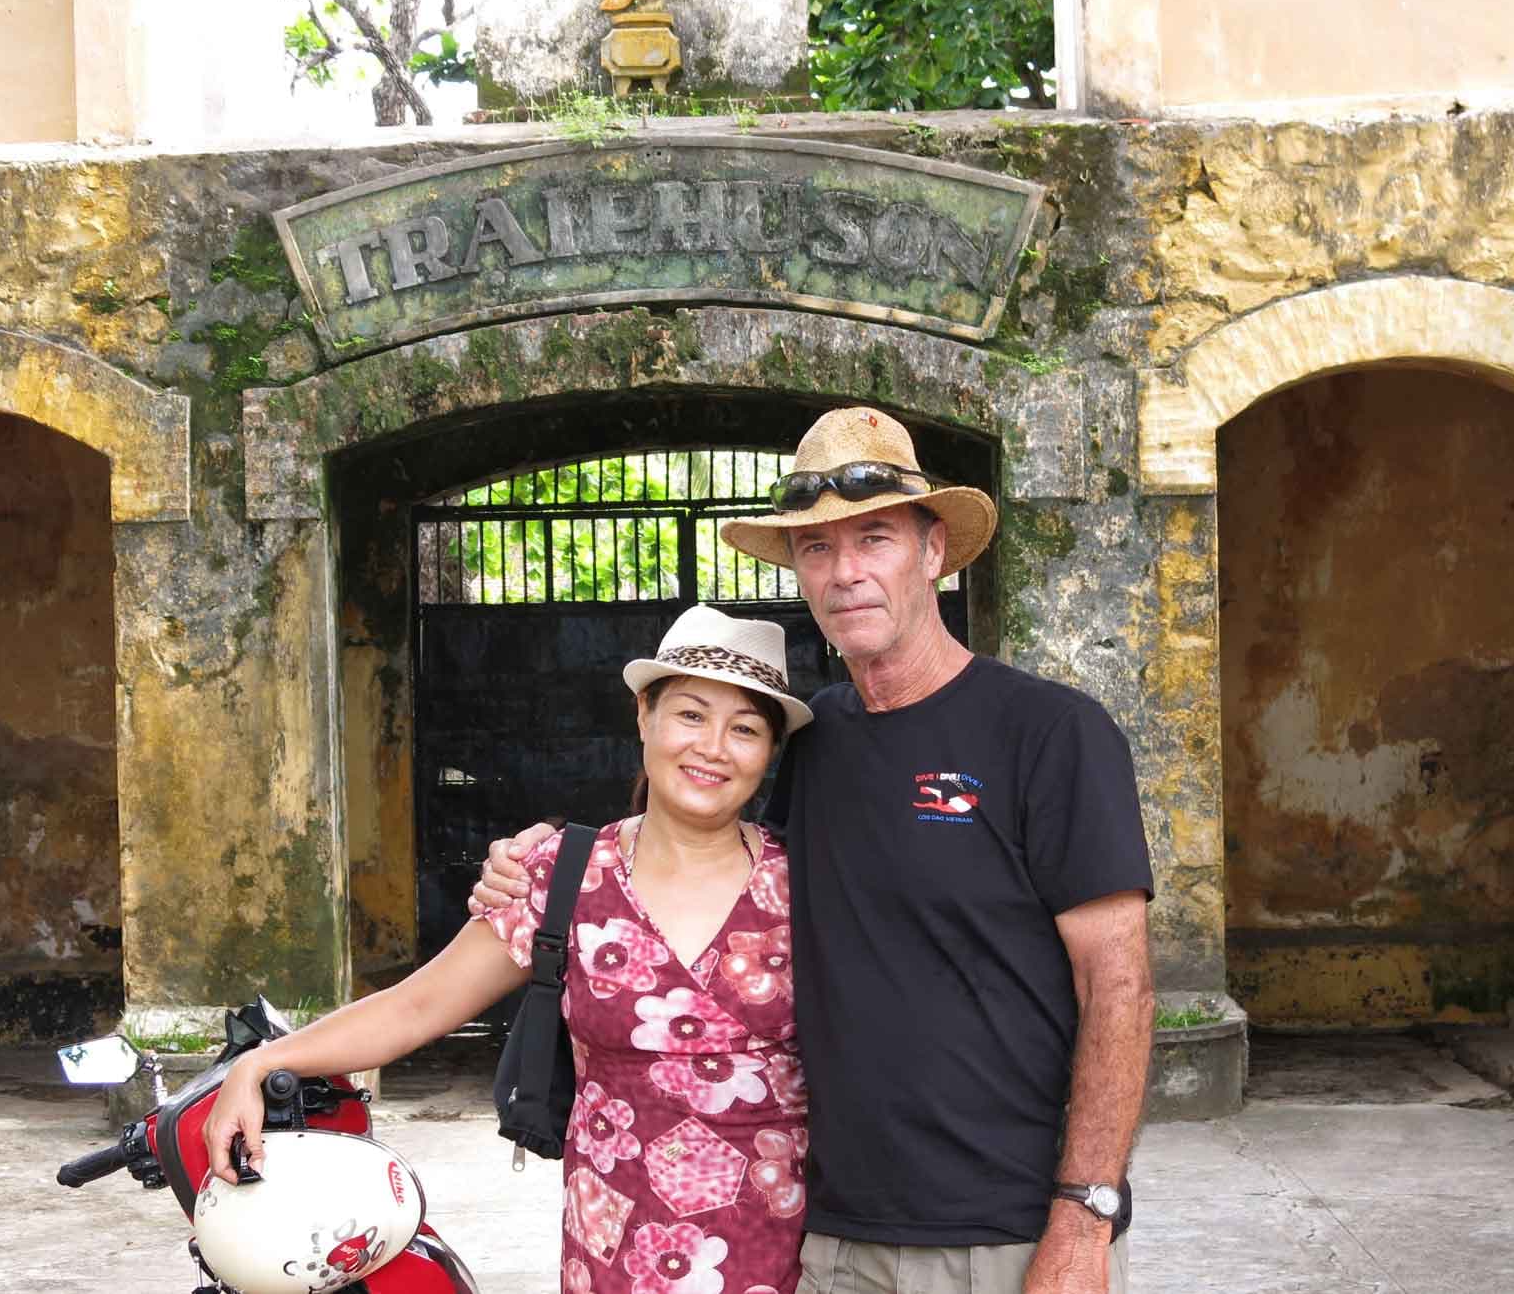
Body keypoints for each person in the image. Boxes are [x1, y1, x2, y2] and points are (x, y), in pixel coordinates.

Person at [476, 408, 1156, 1294]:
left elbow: (1123, 987)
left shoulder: (1051, 733)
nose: (846, 573)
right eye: (817, 549)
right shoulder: (818, 740)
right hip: (829, 1238)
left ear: (934, 551)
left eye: (873, 539)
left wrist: (1084, 1214)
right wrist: (549, 857)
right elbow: (706, 845)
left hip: (1006, 1235)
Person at [199, 604, 818, 1294]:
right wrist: (261, 1062)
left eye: (746, 730)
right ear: (644, 717)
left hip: (782, 1248)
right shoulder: (563, 874)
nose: (713, 748)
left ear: (769, 754)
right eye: (692, 715)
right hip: (616, 1249)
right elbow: (419, 1005)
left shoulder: (808, 885)